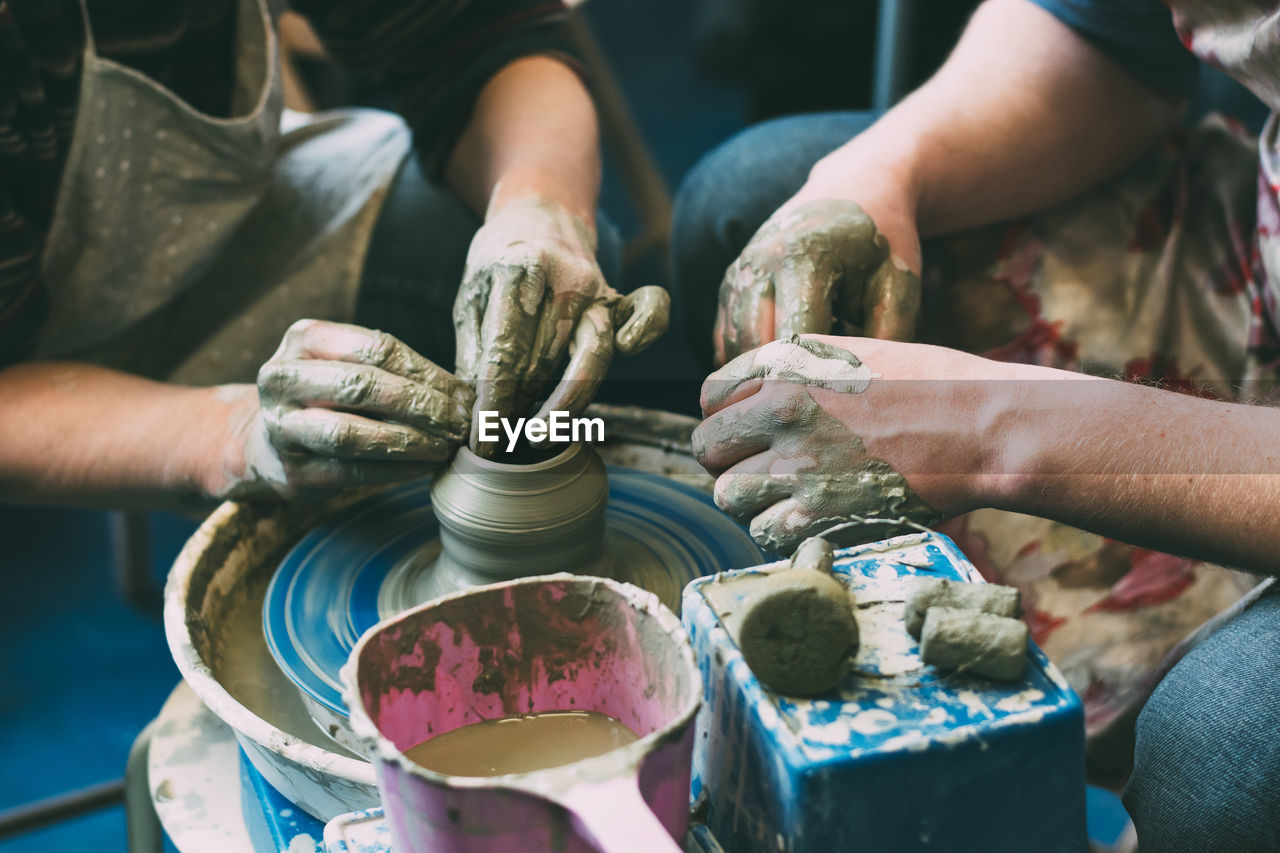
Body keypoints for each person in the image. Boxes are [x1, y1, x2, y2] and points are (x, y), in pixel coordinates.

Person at [674, 0, 1280, 847]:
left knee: (1224, 753)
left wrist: (991, 425)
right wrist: (887, 170)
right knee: (751, 204)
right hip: (1254, 265)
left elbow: (995, 423)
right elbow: (1107, 37)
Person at [0, 0, 667, 510]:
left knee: (541, 298)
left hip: (212, 228)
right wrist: (229, 438)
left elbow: (484, 41)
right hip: (26, 371)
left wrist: (537, 209)